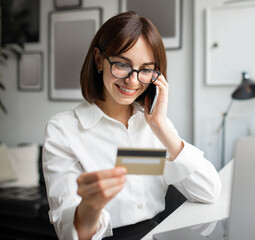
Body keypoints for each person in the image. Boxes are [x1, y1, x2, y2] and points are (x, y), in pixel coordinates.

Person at [42, 11, 221, 240]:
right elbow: (70, 233)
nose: (133, 81)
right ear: (99, 60)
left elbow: (209, 191)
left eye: (146, 69)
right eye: (122, 65)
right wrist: (91, 206)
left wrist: (162, 127)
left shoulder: (154, 126)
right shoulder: (63, 130)